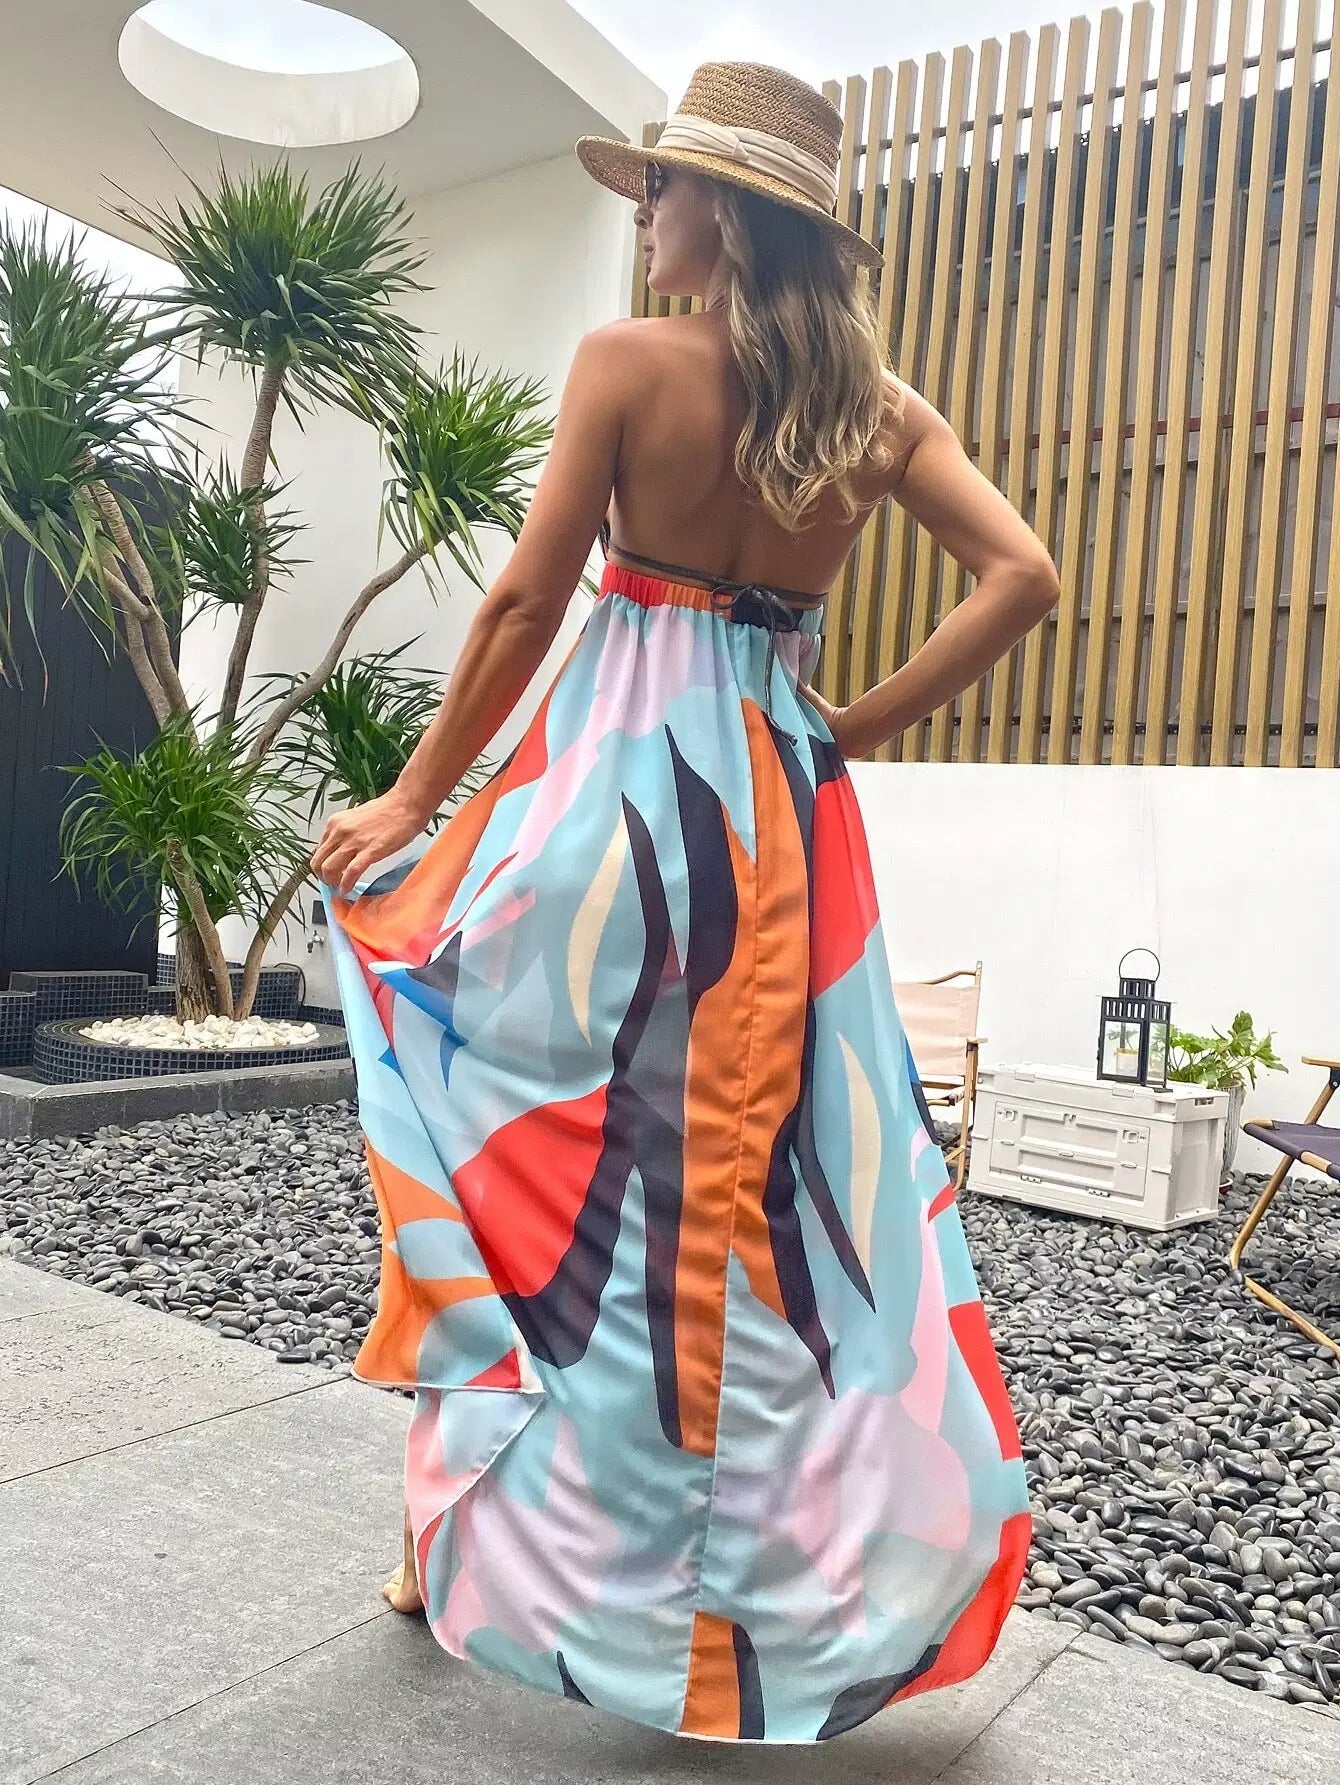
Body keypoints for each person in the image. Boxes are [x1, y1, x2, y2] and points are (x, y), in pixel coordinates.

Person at [312, 60, 1058, 1746]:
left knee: (525, 1154)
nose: (646, 214)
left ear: (724, 205)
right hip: (774, 842)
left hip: (606, 826)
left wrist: (413, 803)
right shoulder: (878, 413)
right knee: (741, 1211)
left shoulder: (628, 365)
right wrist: (846, 728)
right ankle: (752, 1603)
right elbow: (1025, 575)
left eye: (660, 187)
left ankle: (453, 1529)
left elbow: (524, 604)